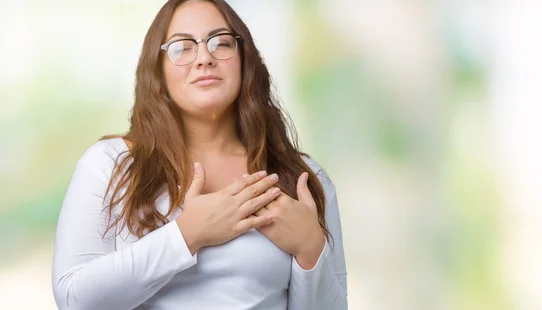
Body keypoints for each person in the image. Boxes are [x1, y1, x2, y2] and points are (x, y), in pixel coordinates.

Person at [51, 0, 347, 309]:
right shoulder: (110, 165)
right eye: (182, 47)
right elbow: (74, 299)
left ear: (246, 60)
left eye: (221, 43)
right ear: (158, 70)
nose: (204, 57)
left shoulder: (302, 180)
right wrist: (188, 233)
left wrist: (311, 250)